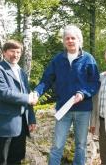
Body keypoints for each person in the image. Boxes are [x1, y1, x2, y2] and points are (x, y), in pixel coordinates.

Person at [33, 25, 100, 165]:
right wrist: (36, 92)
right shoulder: (57, 60)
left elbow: (94, 83)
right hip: (63, 109)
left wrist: (83, 93)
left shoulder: (88, 59)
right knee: (57, 145)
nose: (70, 41)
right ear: (64, 41)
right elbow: (46, 80)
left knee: (81, 145)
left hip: (83, 110)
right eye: (67, 38)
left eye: (73, 38)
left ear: (79, 40)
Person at [0, 40, 36, 165]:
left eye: (18, 52)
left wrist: (31, 118)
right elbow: (3, 93)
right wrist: (28, 98)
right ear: (4, 52)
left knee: (16, 160)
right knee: (0, 161)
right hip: (4, 126)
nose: (15, 55)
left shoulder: (21, 72)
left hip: (21, 126)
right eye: (12, 51)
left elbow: (27, 94)